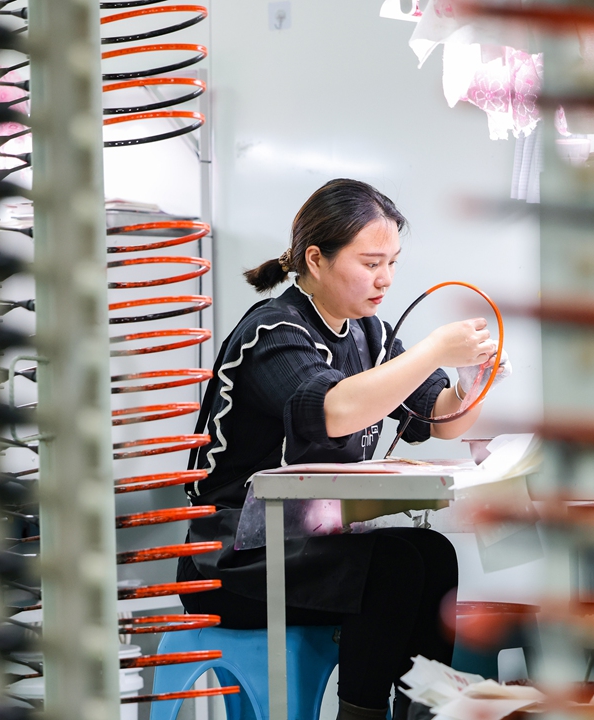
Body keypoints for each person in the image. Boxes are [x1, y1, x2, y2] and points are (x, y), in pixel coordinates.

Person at [178, 178, 509, 720]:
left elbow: (441, 417)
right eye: (371, 263)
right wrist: (432, 350)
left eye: (393, 263)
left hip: (307, 545)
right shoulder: (272, 333)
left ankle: (421, 712)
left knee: (433, 556)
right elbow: (334, 410)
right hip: (233, 558)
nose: (385, 280)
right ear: (317, 258)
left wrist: (475, 376)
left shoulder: (370, 335)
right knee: (394, 567)